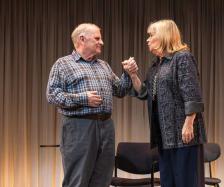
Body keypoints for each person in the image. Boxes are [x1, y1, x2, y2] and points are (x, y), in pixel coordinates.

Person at [46, 23, 137, 187]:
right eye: (97, 38)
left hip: (106, 126)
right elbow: (52, 95)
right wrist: (83, 99)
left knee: (103, 178)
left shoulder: (103, 65)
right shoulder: (63, 64)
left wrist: (128, 74)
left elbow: (121, 91)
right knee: (78, 178)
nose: (101, 42)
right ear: (82, 39)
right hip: (79, 126)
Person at [123, 19, 207, 187]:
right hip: (164, 137)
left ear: (164, 36)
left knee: (186, 182)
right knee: (168, 183)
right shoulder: (156, 65)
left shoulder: (182, 58)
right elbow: (145, 93)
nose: (147, 39)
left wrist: (189, 123)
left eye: (151, 35)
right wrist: (133, 75)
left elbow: (192, 92)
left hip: (184, 135)